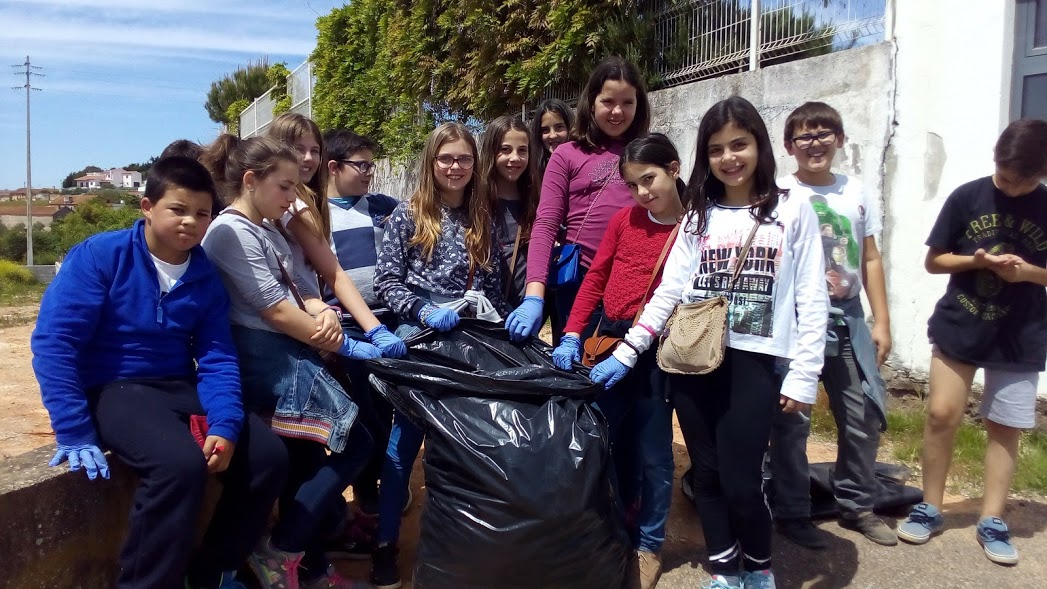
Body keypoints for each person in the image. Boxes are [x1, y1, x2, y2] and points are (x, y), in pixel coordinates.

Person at [590, 96, 828, 589]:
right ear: (705, 156)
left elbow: (811, 295)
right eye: (717, 148)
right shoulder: (699, 215)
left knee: (742, 482)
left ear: (760, 145)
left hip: (754, 363)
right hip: (693, 361)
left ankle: (759, 569)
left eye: (739, 144)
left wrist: (805, 373)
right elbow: (669, 292)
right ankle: (723, 570)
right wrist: (629, 349)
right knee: (707, 478)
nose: (729, 158)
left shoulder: (792, 207)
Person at [31, 156, 288, 589]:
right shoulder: (101, 257)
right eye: (178, 209)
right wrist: (73, 428)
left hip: (173, 385)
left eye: (202, 213)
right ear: (147, 207)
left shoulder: (204, 275)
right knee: (177, 465)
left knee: (267, 457)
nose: (190, 221)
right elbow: (55, 344)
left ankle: (212, 573)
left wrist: (225, 424)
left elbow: (217, 357)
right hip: (113, 388)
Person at [200, 134, 375, 589]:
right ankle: (281, 548)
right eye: (284, 187)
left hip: (287, 348)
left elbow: (300, 290)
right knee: (355, 443)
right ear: (251, 180)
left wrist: (324, 316)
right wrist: (342, 344)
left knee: (306, 460)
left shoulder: (267, 225)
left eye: (296, 187)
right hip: (265, 356)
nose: (293, 197)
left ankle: (307, 565)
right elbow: (274, 310)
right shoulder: (231, 231)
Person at [897, 118, 1047, 566]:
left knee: (1005, 426)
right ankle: (931, 506)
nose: (1010, 186)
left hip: (1021, 334)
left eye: (1021, 182)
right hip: (961, 324)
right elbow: (934, 260)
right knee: (941, 414)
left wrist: (1028, 274)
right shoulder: (968, 196)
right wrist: (975, 260)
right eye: (1003, 175)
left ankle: (992, 519)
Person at [370, 122, 508, 589]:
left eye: (464, 159)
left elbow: (493, 285)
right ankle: (386, 545)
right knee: (403, 443)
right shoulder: (408, 216)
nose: (455, 167)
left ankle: (458, 548)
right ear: (432, 163)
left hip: (470, 339)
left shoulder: (483, 217)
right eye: (446, 158)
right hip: (421, 339)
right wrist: (423, 310)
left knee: (468, 445)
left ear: (475, 164)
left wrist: (504, 321)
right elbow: (386, 283)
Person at [551, 133, 684, 589]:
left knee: (654, 453)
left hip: (657, 355)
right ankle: (611, 523)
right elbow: (596, 277)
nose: (643, 193)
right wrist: (572, 332)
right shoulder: (625, 220)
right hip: (607, 341)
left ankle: (649, 545)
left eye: (649, 179)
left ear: (675, 168)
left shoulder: (693, 229)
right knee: (596, 438)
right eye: (633, 184)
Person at [768, 101, 896, 548]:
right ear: (789, 146)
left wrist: (882, 320)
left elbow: (872, 257)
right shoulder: (779, 193)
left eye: (824, 133)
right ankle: (791, 511)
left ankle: (858, 505)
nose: (815, 143)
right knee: (791, 422)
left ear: (840, 139)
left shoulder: (855, 191)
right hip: (799, 322)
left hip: (849, 321)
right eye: (804, 136)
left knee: (863, 414)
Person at [506, 56, 651, 346]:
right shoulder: (567, 154)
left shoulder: (648, 153)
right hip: (580, 283)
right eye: (608, 101)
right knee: (579, 375)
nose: (618, 111)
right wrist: (534, 296)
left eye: (628, 102)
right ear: (592, 102)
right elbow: (546, 224)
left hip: (636, 281)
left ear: (640, 105)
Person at [321, 128, 403, 537]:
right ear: (333, 167)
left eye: (372, 164)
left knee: (389, 406)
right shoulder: (314, 215)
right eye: (362, 165)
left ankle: (388, 483)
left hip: (390, 322)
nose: (370, 172)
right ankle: (365, 490)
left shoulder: (385, 207)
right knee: (360, 413)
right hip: (347, 329)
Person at [478, 115, 540, 307]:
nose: (515, 158)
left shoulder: (536, 200)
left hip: (522, 310)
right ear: (491, 151)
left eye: (523, 150)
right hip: (482, 311)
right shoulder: (474, 199)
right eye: (505, 150)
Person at [530, 98, 575, 175]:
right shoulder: (532, 171)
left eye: (559, 127)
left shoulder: (582, 164)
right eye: (545, 130)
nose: (553, 135)